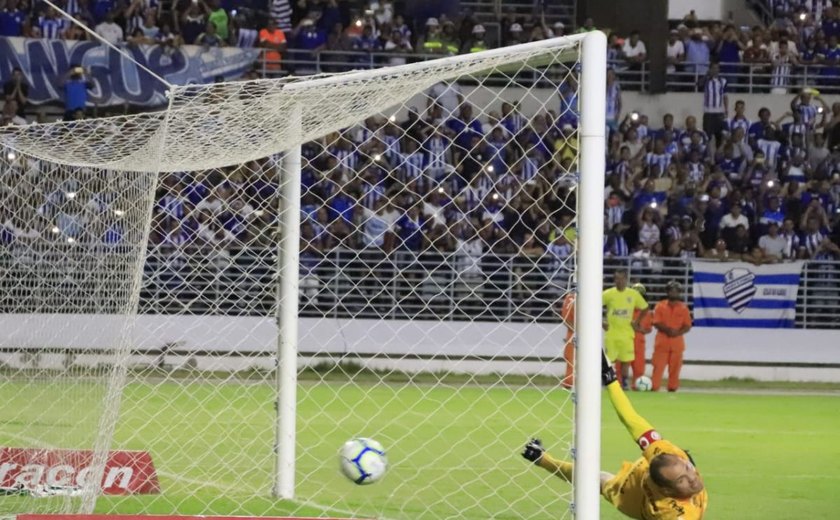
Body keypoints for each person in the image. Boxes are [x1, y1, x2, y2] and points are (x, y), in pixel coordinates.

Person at [521, 350, 708, 519]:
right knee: (597, 480)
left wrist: (610, 378)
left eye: (687, 468)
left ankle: (540, 458)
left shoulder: (667, 454)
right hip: (629, 496)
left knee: (599, 477)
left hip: (650, 471)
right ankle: (543, 459)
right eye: (682, 479)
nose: (692, 477)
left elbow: (632, 420)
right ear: (667, 490)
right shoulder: (673, 514)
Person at [602, 270, 649, 388]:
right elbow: (593, 306)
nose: (620, 281)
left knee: (625, 361)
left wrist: (637, 322)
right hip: (611, 333)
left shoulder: (633, 294)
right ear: (614, 280)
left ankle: (625, 383)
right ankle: (607, 382)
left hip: (627, 333)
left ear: (626, 280)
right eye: (617, 278)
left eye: (622, 278)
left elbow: (645, 307)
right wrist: (601, 322)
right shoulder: (608, 294)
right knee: (609, 361)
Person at [651, 281, 692, 392]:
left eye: (676, 291)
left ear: (679, 293)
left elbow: (688, 325)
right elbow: (656, 322)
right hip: (662, 343)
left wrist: (677, 333)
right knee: (658, 368)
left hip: (677, 344)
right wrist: (668, 330)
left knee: (675, 369)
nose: (673, 293)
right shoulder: (660, 306)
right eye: (671, 290)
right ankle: (654, 388)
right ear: (667, 292)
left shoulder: (684, 309)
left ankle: (672, 388)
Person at [629, 283, 653, 389]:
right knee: (620, 365)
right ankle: (619, 386)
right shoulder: (626, 308)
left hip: (639, 341)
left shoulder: (646, 312)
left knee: (639, 367)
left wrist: (638, 329)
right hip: (626, 339)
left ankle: (637, 386)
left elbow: (648, 329)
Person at [557, 286, 576, 389]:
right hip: (573, 333)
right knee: (571, 358)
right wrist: (577, 331)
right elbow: (566, 319)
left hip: (582, 333)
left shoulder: (589, 297)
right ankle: (569, 383)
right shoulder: (571, 298)